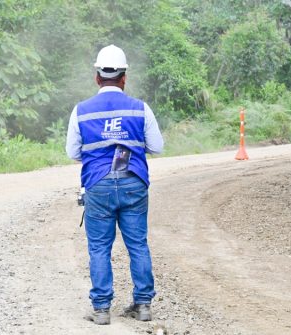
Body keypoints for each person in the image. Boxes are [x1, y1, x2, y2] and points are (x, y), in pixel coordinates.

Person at [66, 44, 164, 325]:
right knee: (138, 245)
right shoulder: (140, 109)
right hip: (134, 183)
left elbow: (73, 152)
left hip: (98, 186)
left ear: (97, 77)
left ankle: (101, 310)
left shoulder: (81, 111)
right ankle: (143, 305)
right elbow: (156, 147)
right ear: (124, 78)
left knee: (99, 248)